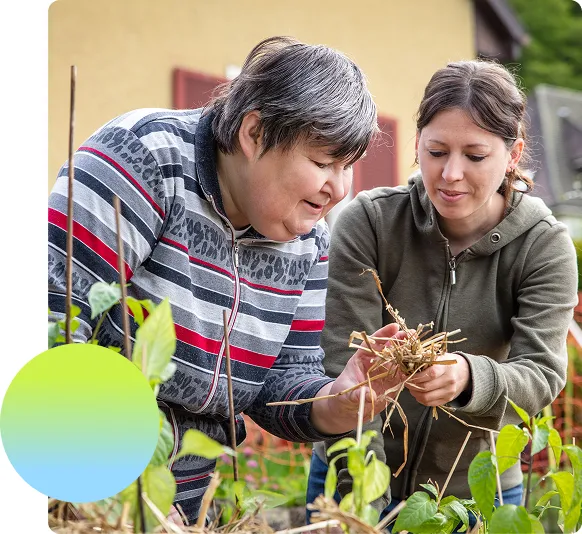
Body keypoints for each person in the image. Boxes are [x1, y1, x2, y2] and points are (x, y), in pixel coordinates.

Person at [48, 36, 405, 523]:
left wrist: (338, 402)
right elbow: (51, 318)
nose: (339, 189)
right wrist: (118, 496)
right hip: (87, 491)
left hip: (192, 508)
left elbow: (280, 382)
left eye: (347, 167)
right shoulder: (143, 159)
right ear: (254, 133)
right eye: (323, 163)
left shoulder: (309, 241)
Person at [306, 59, 579, 527]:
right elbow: (344, 366)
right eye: (436, 151)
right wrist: (362, 503)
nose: (451, 174)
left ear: (512, 155)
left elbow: (541, 374)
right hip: (355, 472)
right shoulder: (370, 223)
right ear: (417, 144)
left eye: (475, 156)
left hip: (474, 489)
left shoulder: (544, 246)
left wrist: (471, 377)